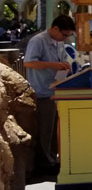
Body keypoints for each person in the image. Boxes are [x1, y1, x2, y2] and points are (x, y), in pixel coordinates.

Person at [23, 14, 75, 173]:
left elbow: (62, 59)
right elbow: (29, 62)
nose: (65, 39)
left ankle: (52, 159)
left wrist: (65, 65)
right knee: (45, 130)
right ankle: (44, 164)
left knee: (53, 131)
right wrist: (54, 65)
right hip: (41, 91)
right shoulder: (38, 41)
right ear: (55, 28)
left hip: (55, 90)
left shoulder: (59, 42)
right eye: (64, 35)